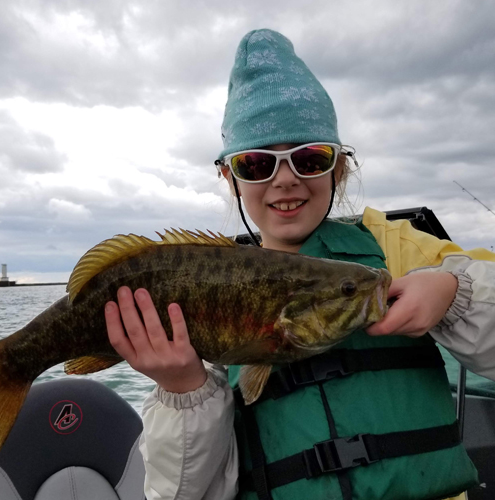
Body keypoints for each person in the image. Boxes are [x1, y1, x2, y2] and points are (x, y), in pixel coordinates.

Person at [104, 29, 495, 500]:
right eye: (256, 164)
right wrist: (183, 387)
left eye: (309, 159)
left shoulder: (396, 249)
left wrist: (452, 292)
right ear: (231, 179)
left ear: (339, 167)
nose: (284, 180)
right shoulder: (205, 282)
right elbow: (182, 493)